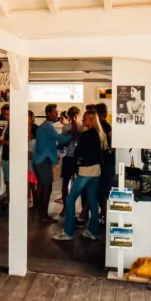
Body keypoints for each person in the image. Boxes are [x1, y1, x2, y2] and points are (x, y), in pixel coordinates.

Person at [54, 109, 108, 241]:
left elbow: (78, 152)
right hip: (96, 170)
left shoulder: (87, 134)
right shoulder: (99, 134)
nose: (82, 120)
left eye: (84, 118)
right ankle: (94, 231)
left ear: (91, 119)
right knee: (93, 200)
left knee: (71, 198)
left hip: (86, 170)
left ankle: (68, 231)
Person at [32, 104, 71, 222]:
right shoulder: (47, 127)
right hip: (44, 160)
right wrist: (73, 135)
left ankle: (41, 213)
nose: (57, 114)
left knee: (42, 186)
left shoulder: (44, 126)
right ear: (48, 113)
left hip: (39, 160)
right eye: (55, 112)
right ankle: (44, 215)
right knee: (46, 188)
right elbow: (61, 138)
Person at [60, 106, 83, 218]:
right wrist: (68, 137)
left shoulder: (83, 127)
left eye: (76, 116)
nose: (74, 119)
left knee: (83, 184)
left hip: (80, 158)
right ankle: (65, 207)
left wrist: (78, 135)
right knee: (65, 183)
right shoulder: (66, 128)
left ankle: (83, 210)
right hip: (69, 156)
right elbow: (61, 144)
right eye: (72, 116)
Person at [95, 102, 114, 220]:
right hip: (103, 162)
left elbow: (112, 145)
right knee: (101, 189)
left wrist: (108, 153)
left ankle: (104, 214)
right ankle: (102, 214)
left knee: (104, 189)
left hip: (106, 163)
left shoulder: (106, 127)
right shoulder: (102, 127)